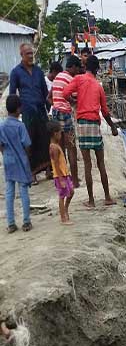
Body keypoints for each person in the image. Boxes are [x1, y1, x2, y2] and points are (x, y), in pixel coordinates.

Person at [62, 55, 118, 208]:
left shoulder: (79, 79)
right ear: (97, 70)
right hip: (94, 124)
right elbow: (105, 112)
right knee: (101, 163)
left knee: (87, 164)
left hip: (82, 124)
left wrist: (74, 101)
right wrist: (113, 127)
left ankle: (91, 200)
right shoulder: (98, 86)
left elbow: (65, 92)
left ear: (85, 67)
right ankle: (107, 197)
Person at [9, 43, 51, 183]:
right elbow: (12, 94)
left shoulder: (39, 71)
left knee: (45, 140)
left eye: (32, 53)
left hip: (41, 110)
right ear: (22, 55)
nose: (31, 56)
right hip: (27, 111)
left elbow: (45, 92)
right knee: (29, 142)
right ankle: (31, 173)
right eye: (28, 54)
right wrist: (15, 111)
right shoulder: (16, 72)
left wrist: (48, 106)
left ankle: (48, 170)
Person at [0, 95, 33, 233]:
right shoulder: (20, 126)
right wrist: (27, 156)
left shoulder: (2, 125)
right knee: (24, 190)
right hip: (21, 159)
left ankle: (11, 223)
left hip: (8, 159)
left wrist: (5, 153)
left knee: (9, 191)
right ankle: (26, 221)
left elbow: (0, 145)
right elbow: (27, 144)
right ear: (18, 108)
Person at [51, 56, 81, 187]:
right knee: (72, 148)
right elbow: (76, 98)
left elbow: (49, 96)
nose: (78, 71)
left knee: (60, 149)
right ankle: (74, 181)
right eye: (78, 68)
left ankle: (62, 178)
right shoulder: (71, 79)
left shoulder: (57, 77)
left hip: (55, 113)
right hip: (66, 114)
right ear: (73, 67)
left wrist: (57, 104)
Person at [48, 121, 74, 225]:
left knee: (71, 192)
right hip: (60, 175)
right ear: (55, 133)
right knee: (62, 196)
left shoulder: (55, 145)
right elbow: (56, 165)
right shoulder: (54, 147)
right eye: (60, 133)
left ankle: (65, 209)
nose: (61, 135)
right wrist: (61, 179)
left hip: (64, 174)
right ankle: (63, 218)